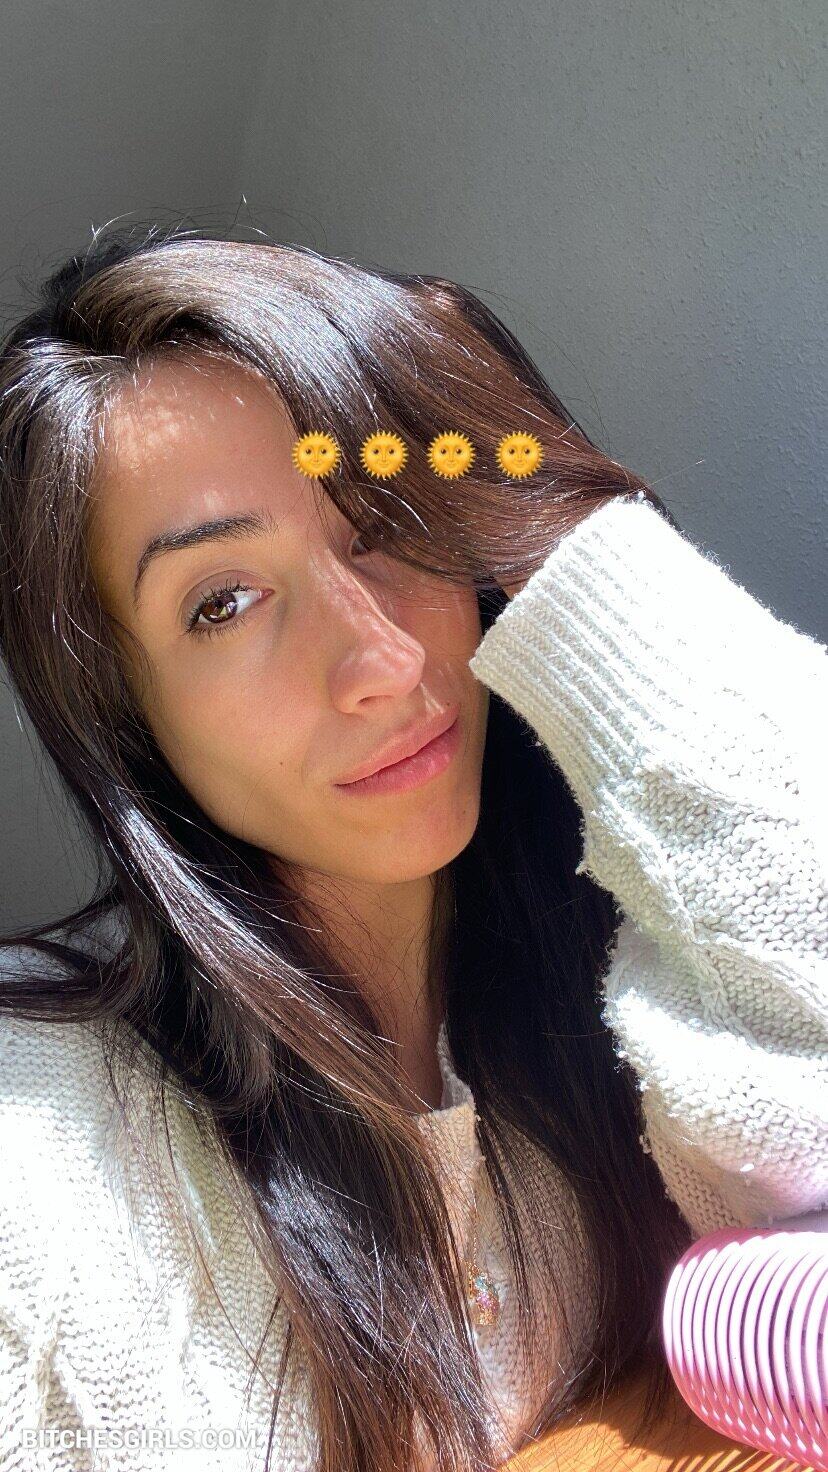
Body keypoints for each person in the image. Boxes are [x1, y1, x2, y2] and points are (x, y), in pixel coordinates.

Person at [0, 229, 824, 1472]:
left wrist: (562, 521)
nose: (382, 661)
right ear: (124, 710)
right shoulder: (41, 1123)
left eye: (386, 517)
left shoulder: (632, 975)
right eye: (223, 601)